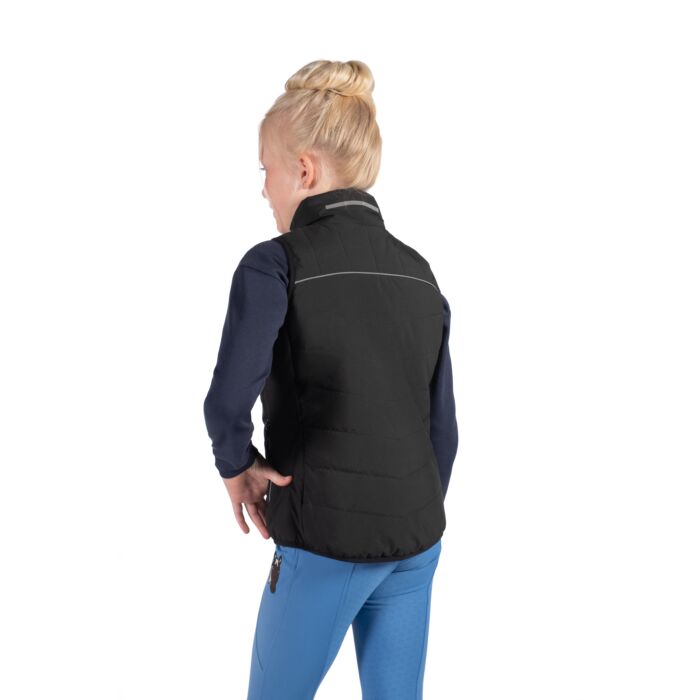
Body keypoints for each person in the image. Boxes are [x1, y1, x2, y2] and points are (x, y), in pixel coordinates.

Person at [203, 59, 458, 699]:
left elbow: (227, 402)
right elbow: (443, 430)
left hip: (325, 541)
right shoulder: (420, 272)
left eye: (266, 171)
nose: (264, 190)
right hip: (415, 540)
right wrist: (406, 509)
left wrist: (237, 465)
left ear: (304, 170)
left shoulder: (273, 266)